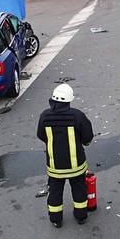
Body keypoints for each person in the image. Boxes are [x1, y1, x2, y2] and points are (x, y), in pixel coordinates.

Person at [37, 83, 94, 228]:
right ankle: (81, 216)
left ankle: (56, 219)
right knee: (79, 189)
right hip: (76, 165)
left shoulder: (44, 116)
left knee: (55, 191)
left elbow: (41, 135)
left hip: (55, 167)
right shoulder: (77, 115)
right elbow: (87, 137)